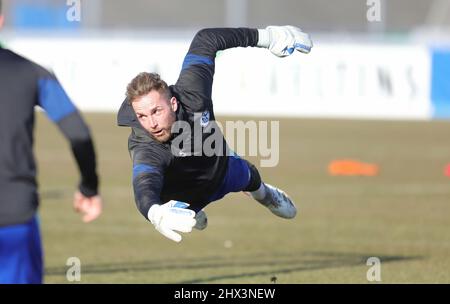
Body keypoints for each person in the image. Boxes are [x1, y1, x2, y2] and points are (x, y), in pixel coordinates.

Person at [117, 26, 312, 243]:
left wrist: (268, 37)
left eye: (156, 111)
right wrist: (154, 213)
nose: (151, 124)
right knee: (176, 212)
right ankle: (191, 209)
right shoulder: (144, 144)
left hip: (221, 169)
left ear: (172, 103)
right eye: (142, 116)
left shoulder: (192, 92)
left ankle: (266, 196)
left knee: (252, 179)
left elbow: (207, 39)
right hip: (181, 195)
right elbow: (144, 183)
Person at [0, 1, 102, 284]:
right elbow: (78, 133)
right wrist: (89, 187)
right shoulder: (32, 73)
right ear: (0, 20)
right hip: (13, 215)